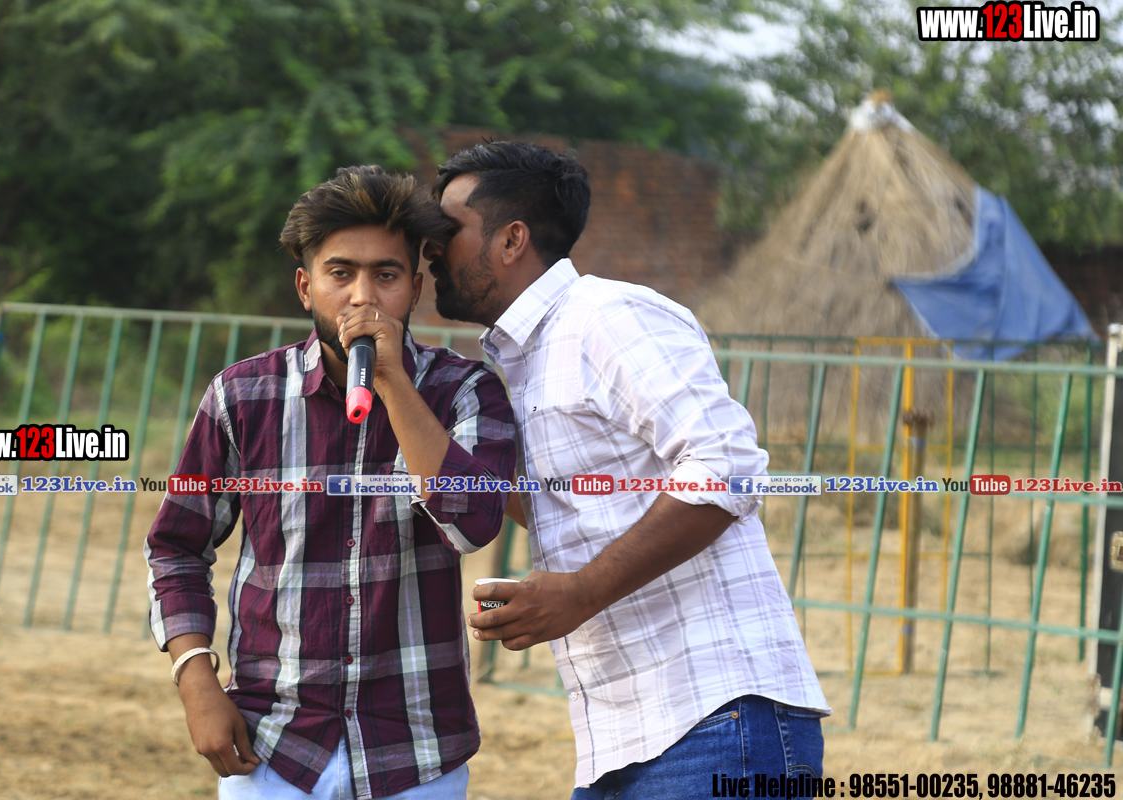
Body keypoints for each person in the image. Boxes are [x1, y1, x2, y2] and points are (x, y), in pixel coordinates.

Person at [428, 142, 830, 797]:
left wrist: (581, 591)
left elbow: (726, 466)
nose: (430, 249)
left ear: (511, 239)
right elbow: (568, 504)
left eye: (447, 230)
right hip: (627, 741)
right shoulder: (522, 361)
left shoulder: (606, 318)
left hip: (718, 720)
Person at [145, 165, 517, 800]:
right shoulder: (243, 396)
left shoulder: (464, 390)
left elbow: (472, 525)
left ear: (415, 288)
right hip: (272, 745)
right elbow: (177, 544)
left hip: (417, 749)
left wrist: (392, 382)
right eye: (340, 273)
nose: (362, 298)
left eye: (386, 276)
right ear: (305, 286)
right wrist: (195, 680)